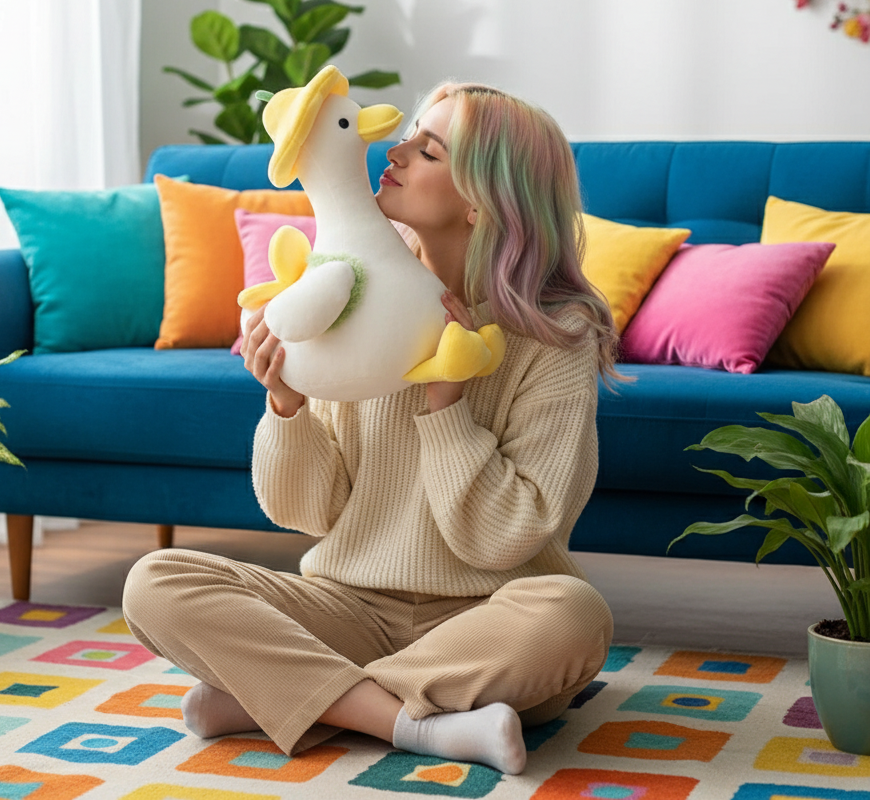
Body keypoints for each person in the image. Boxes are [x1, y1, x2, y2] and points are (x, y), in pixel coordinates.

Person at [122, 81, 620, 776]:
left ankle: (297, 696)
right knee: (154, 581)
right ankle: (414, 723)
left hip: (489, 616)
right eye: (409, 135)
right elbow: (305, 512)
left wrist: (446, 405)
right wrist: (286, 404)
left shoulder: (558, 338)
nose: (396, 150)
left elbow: (502, 539)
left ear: (481, 199)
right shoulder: (352, 300)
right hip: (343, 605)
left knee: (574, 616)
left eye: (429, 148)